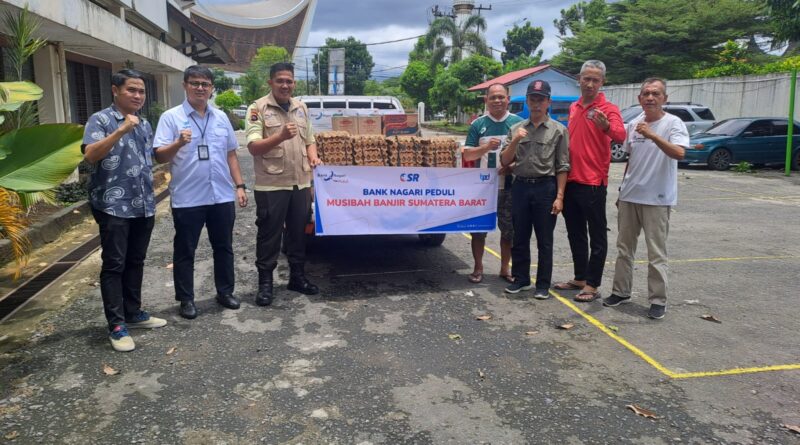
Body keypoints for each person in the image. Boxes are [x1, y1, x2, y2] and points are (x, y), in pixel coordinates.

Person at [153, 65, 248, 320]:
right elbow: (159, 155)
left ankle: (225, 292)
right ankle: (186, 299)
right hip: (188, 198)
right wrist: (178, 143)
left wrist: (240, 186)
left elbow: (231, 154)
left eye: (205, 84)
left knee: (224, 247)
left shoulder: (221, 117)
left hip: (221, 195)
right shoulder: (171, 118)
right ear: (185, 85)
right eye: (194, 83)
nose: (200, 88)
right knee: (185, 251)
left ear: (211, 88)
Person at [82, 69, 166, 352]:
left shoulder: (144, 124)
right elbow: (90, 155)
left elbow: (149, 160)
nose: (138, 95)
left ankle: (133, 313)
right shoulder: (101, 120)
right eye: (132, 90)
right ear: (115, 90)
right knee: (114, 264)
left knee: (136, 261)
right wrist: (121, 130)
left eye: (141, 91)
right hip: (113, 206)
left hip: (142, 203)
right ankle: (116, 326)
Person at [602, 78, 688, 320]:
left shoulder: (673, 123)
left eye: (656, 93)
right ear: (639, 98)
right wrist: (622, 190)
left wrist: (652, 135)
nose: (650, 97)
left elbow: (679, 153)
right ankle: (620, 292)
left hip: (657, 199)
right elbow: (631, 160)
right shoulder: (634, 124)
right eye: (646, 94)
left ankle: (658, 300)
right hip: (630, 196)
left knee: (656, 252)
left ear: (664, 99)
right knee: (624, 248)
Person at [245, 62, 322, 307]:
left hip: (300, 183)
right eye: (280, 80)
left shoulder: (301, 107)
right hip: (272, 185)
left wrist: (313, 156)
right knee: (269, 235)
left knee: (298, 233)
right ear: (271, 82)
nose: (285, 85)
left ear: (294, 83)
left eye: (289, 81)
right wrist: (279, 136)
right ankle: (265, 285)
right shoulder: (258, 108)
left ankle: (297, 278)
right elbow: (253, 147)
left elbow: (310, 139)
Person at [554, 60, 626, 302]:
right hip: (570, 179)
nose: (590, 84)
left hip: (593, 182)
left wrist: (606, 127)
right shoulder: (574, 107)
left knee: (597, 235)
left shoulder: (609, 109)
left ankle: (592, 285)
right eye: (586, 78)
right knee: (575, 233)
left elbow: (620, 135)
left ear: (602, 82)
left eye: (595, 80)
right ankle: (580, 277)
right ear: (579, 79)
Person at [500, 80, 570, 299]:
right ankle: (521, 279)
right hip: (520, 186)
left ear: (548, 102)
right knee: (520, 236)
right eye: (533, 99)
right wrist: (515, 141)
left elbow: (563, 166)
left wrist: (559, 197)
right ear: (527, 101)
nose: (536, 103)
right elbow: (505, 161)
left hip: (545, 188)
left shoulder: (559, 130)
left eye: (541, 99)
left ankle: (542, 285)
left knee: (544, 239)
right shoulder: (516, 129)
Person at [461, 83, 524, 284]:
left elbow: (526, 155)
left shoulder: (518, 123)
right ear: (486, 100)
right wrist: (486, 147)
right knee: (478, 230)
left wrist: (512, 166)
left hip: (509, 187)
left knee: (509, 231)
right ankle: (478, 267)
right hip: (483, 189)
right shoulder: (478, 124)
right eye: (493, 97)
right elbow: (468, 154)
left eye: (501, 97)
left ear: (508, 99)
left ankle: (505, 269)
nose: (497, 100)